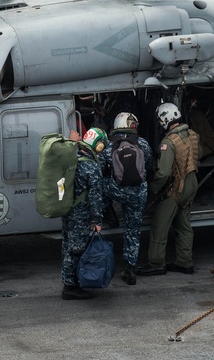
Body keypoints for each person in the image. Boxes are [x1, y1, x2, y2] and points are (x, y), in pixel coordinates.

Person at [136, 103, 200, 277]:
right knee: (184, 225)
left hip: (175, 188)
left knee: (159, 225)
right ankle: (185, 262)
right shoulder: (193, 135)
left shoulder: (168, 142)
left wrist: (153, 189)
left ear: (165, 120)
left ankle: (156, 263)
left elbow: (163, 173)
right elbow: (197, 156)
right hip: (192, 183)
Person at [100, 112, 153, 285]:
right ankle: (130, 269)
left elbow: (100, 169)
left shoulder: (109, 146)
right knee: (133, 230)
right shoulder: (142, 143)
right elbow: (150, 165)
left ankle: (108, 213)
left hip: (117, 190)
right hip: (138, 193)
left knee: (100, 185)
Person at [61, 127, 106, 300]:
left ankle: (69, 281)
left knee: (67, 246)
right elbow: (95, 197)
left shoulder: (74, 158)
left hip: (69, 210)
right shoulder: (91, 166)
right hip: (81, 214)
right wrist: (97, 219)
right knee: (76, 249)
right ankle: (70, 287)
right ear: (98, 145)